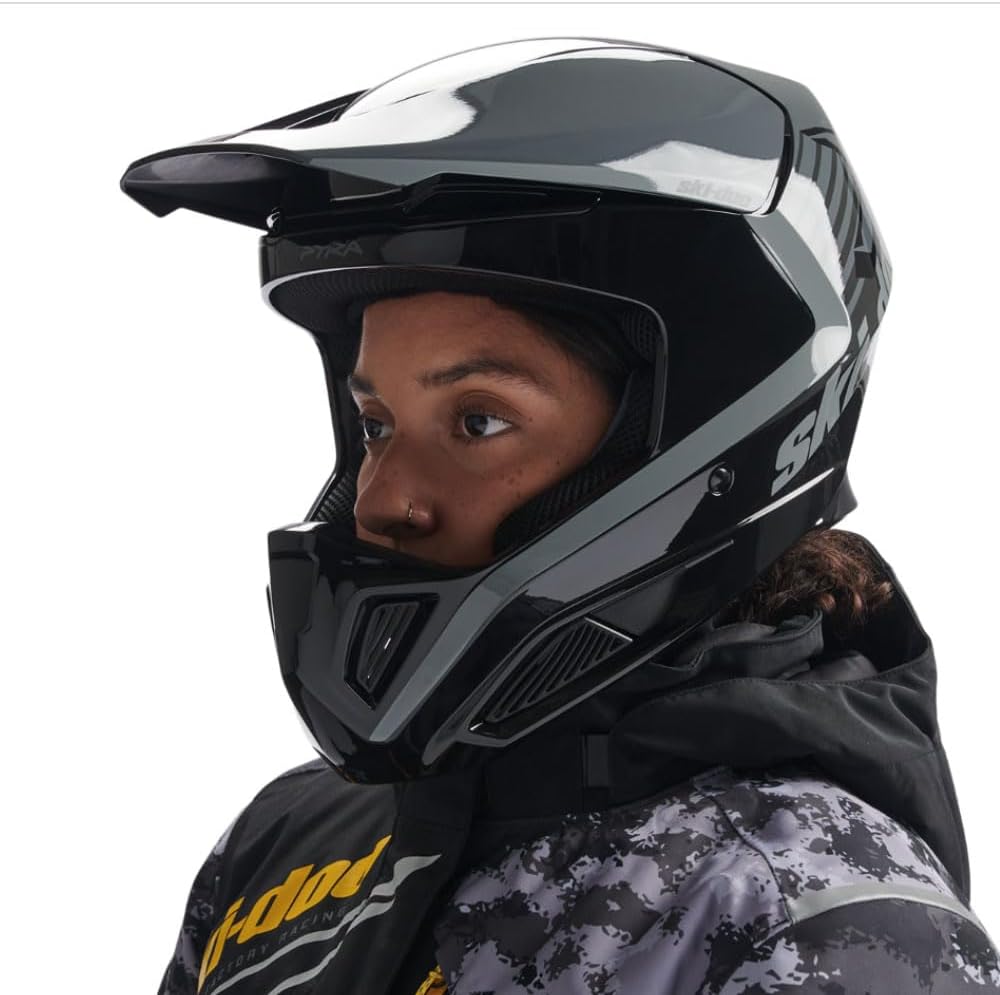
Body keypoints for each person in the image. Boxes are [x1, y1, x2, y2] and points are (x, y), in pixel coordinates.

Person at [120, 37, 1000, 995]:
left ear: (696, 437)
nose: (381, 501)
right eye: (376, 425)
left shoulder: (808, 917)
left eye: (477, 420)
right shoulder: (286, 848)